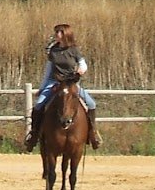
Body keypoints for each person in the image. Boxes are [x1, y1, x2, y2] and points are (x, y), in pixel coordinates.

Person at [24, 23, 102, 152]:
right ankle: (34, 134)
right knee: (38, 105)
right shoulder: (53, 50)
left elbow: (83, 64)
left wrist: (81, 71)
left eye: (58, 33)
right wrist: (43, 88)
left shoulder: (74, 50)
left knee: (91, 103)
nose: (56, 35)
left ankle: (93, 133)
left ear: (65, 34)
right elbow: (48, 71)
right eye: (56, 33)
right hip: (55, 82)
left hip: (71, 83)